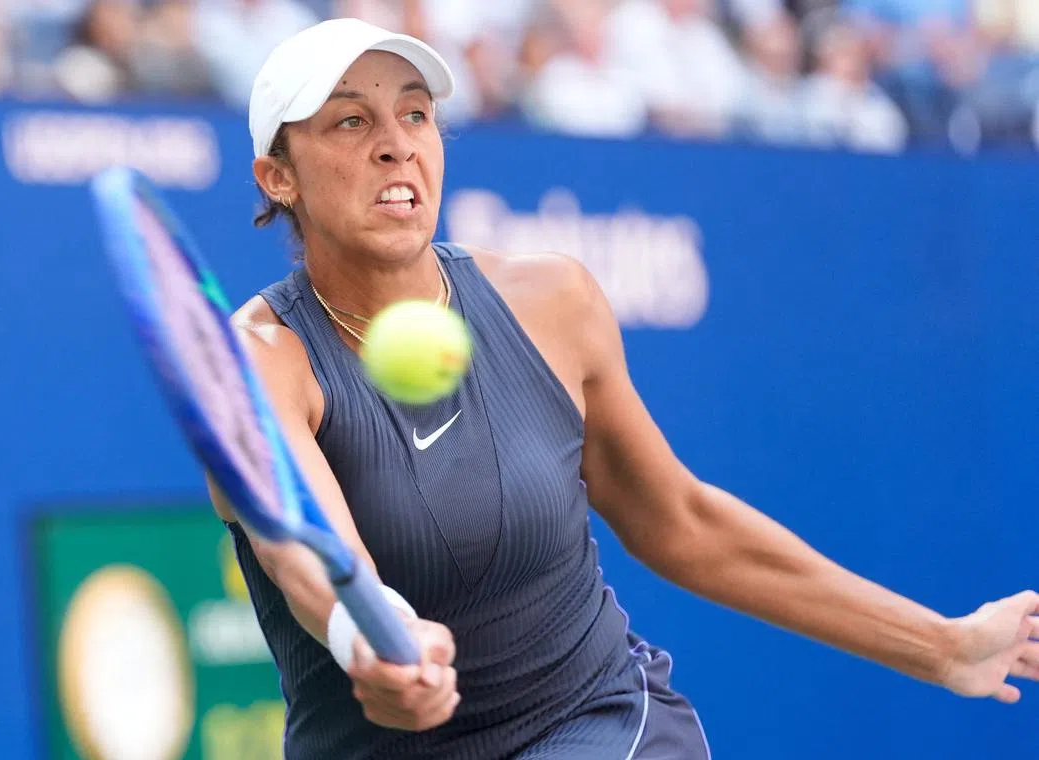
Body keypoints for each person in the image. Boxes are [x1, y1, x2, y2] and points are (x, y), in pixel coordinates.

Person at [207, 17, 1039, 760]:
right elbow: (311, 552)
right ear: (278, 177)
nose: (398, 144)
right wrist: (368, 637)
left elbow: (681, 521)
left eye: (416, 113)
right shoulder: (257, 362)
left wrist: (942, 644)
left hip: (601, 725)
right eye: (351, 120)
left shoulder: (550, 300)